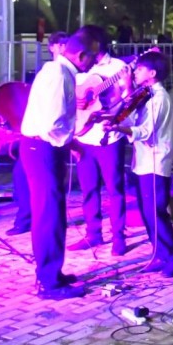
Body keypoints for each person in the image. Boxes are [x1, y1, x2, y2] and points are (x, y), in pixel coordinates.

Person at [20, 31, 98, 299]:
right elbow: (52, 124)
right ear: (80, 55)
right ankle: (48, 282)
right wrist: (71, 139)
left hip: (43, 147)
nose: (92, 63)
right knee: (48, 214)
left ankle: (53, 272)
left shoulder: (58, 71)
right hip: (42, 149)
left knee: (53, 211)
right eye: (92, 57)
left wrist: (71, 142)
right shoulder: (59, 75)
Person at [103, 50, 173, 277]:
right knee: (147, 212)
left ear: (152, 73)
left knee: (157, 212)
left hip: (155, 162)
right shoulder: (145, 96)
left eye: (139, 69)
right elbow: (131, 119)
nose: (135, 72)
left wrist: (119, 127)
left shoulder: (159, 98)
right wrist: (117, 113)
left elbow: (145, 131)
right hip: (143, 163)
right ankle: (159, 254)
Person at [68, 26, 130, 255]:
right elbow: (72, 96)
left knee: (115, 189)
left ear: (95, 44)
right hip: (83, 137)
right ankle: (93, 234)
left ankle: (118, 237)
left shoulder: (118, 68)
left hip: (109, 137)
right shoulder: (79, 68)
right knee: (88, 189)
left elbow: (128, 99)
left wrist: (115, 107)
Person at [7, 31, 69, 237]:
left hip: (48, 139)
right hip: (39, 138)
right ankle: (26, 219)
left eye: (66, 44)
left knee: (49, 194)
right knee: (24, 179)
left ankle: (43, 227)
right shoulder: (50, 72)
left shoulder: (64, 73)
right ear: (52, 47)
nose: (63, 48)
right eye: (60, 44)